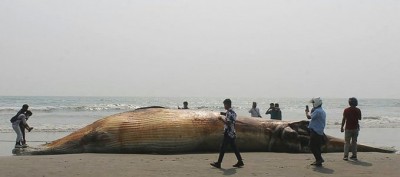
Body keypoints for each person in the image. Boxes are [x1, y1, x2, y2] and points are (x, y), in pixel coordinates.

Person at [210, 99, 244, 168]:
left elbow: (228, 123)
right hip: (232, 133)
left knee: (223, 148)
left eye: (224, 105)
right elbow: (230, 116)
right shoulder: (232, 112)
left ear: (227, 104)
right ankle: (240, 161)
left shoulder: (229, 113)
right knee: (234, 148)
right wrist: (222, 113)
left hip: (228, 133)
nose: (224, 106)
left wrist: (221, 119)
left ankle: (218, 163)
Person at [305, 97, 326, 167]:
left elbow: (309, 117)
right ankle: (319, 159)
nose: (313, 104)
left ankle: (319, 159)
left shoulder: (317, 111)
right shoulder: (321, 111)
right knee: (317, 146)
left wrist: (306, 112)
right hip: (319, 130)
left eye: (313, 103)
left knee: (312, 146)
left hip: (315, 131)